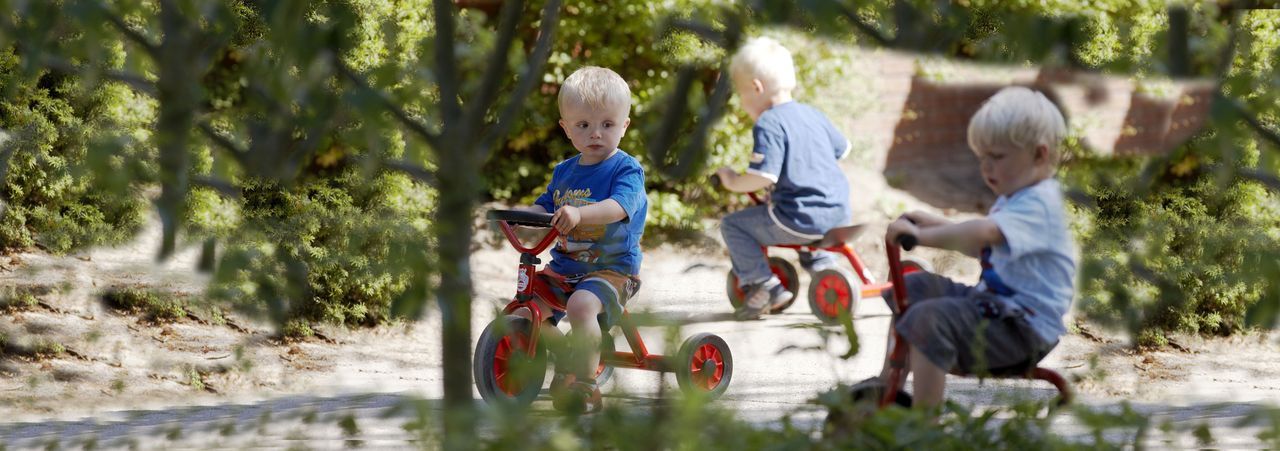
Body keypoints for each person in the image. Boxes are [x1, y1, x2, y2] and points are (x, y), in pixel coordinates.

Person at [879, 86, 1076, 411]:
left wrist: (921, 237)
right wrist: (935, 223)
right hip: (996, 310)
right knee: (914, 288)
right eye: (981, 157)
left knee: (929, 319)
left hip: (1021, 329)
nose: (985, 167)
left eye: (996, 157)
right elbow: (985, 248)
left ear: (1039, 155)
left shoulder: (1041, 203)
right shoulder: (1018, 199)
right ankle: (888, 388)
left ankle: (923, 425)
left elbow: (982, 233)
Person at [516, 66, 647, 413]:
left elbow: (619, 207)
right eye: (583, 125)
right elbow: (546, 205)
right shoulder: (564, 171)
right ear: (566, 128)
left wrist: (579, 215)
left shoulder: (626, 170)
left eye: (607, 124)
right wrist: (523, 217)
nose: (596, 134)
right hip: (564, 269)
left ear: (624, 125)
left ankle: (586, 386)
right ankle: (567, 354)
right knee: (527, 309)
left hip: (613, 271)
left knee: (580, 306)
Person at [714, 36, 854, 320]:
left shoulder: (769, 122)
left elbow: (762, 176)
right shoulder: (812, 114)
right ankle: (824, 268)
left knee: (733, 225)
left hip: (799, 218)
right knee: (802, 221)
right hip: (839, 214)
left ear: (756, 87)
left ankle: (765, 286)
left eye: (742, 95)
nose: (743, 104)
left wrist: (732, 180)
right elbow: (844, 149)